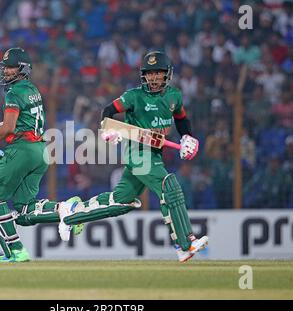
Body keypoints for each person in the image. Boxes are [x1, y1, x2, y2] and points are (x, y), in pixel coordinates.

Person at [56, 51, 209, 263]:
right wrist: (108, 130)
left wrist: (187, 137)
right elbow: (108, 111)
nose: (154, 78)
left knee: (121, 201)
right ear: (143, 75)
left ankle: (72, 216)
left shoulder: (174, 96)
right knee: (168, 185)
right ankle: (185, 244)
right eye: (150, 74)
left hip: (154, 153)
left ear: (168, 75)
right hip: (136, 152)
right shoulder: (133, 96)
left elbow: (181, 119)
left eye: (159, 73)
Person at [0, 48, 82, 263]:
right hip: (40, 151)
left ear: (22, 69)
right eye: (4, 67)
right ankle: (67, 209)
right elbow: (16, 123)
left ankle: (16, 250)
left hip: (22, 150)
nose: (5, 71)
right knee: (24, 209)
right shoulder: (32, 89)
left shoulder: (13, 93)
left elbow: (10, 127)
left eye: (10, 67)